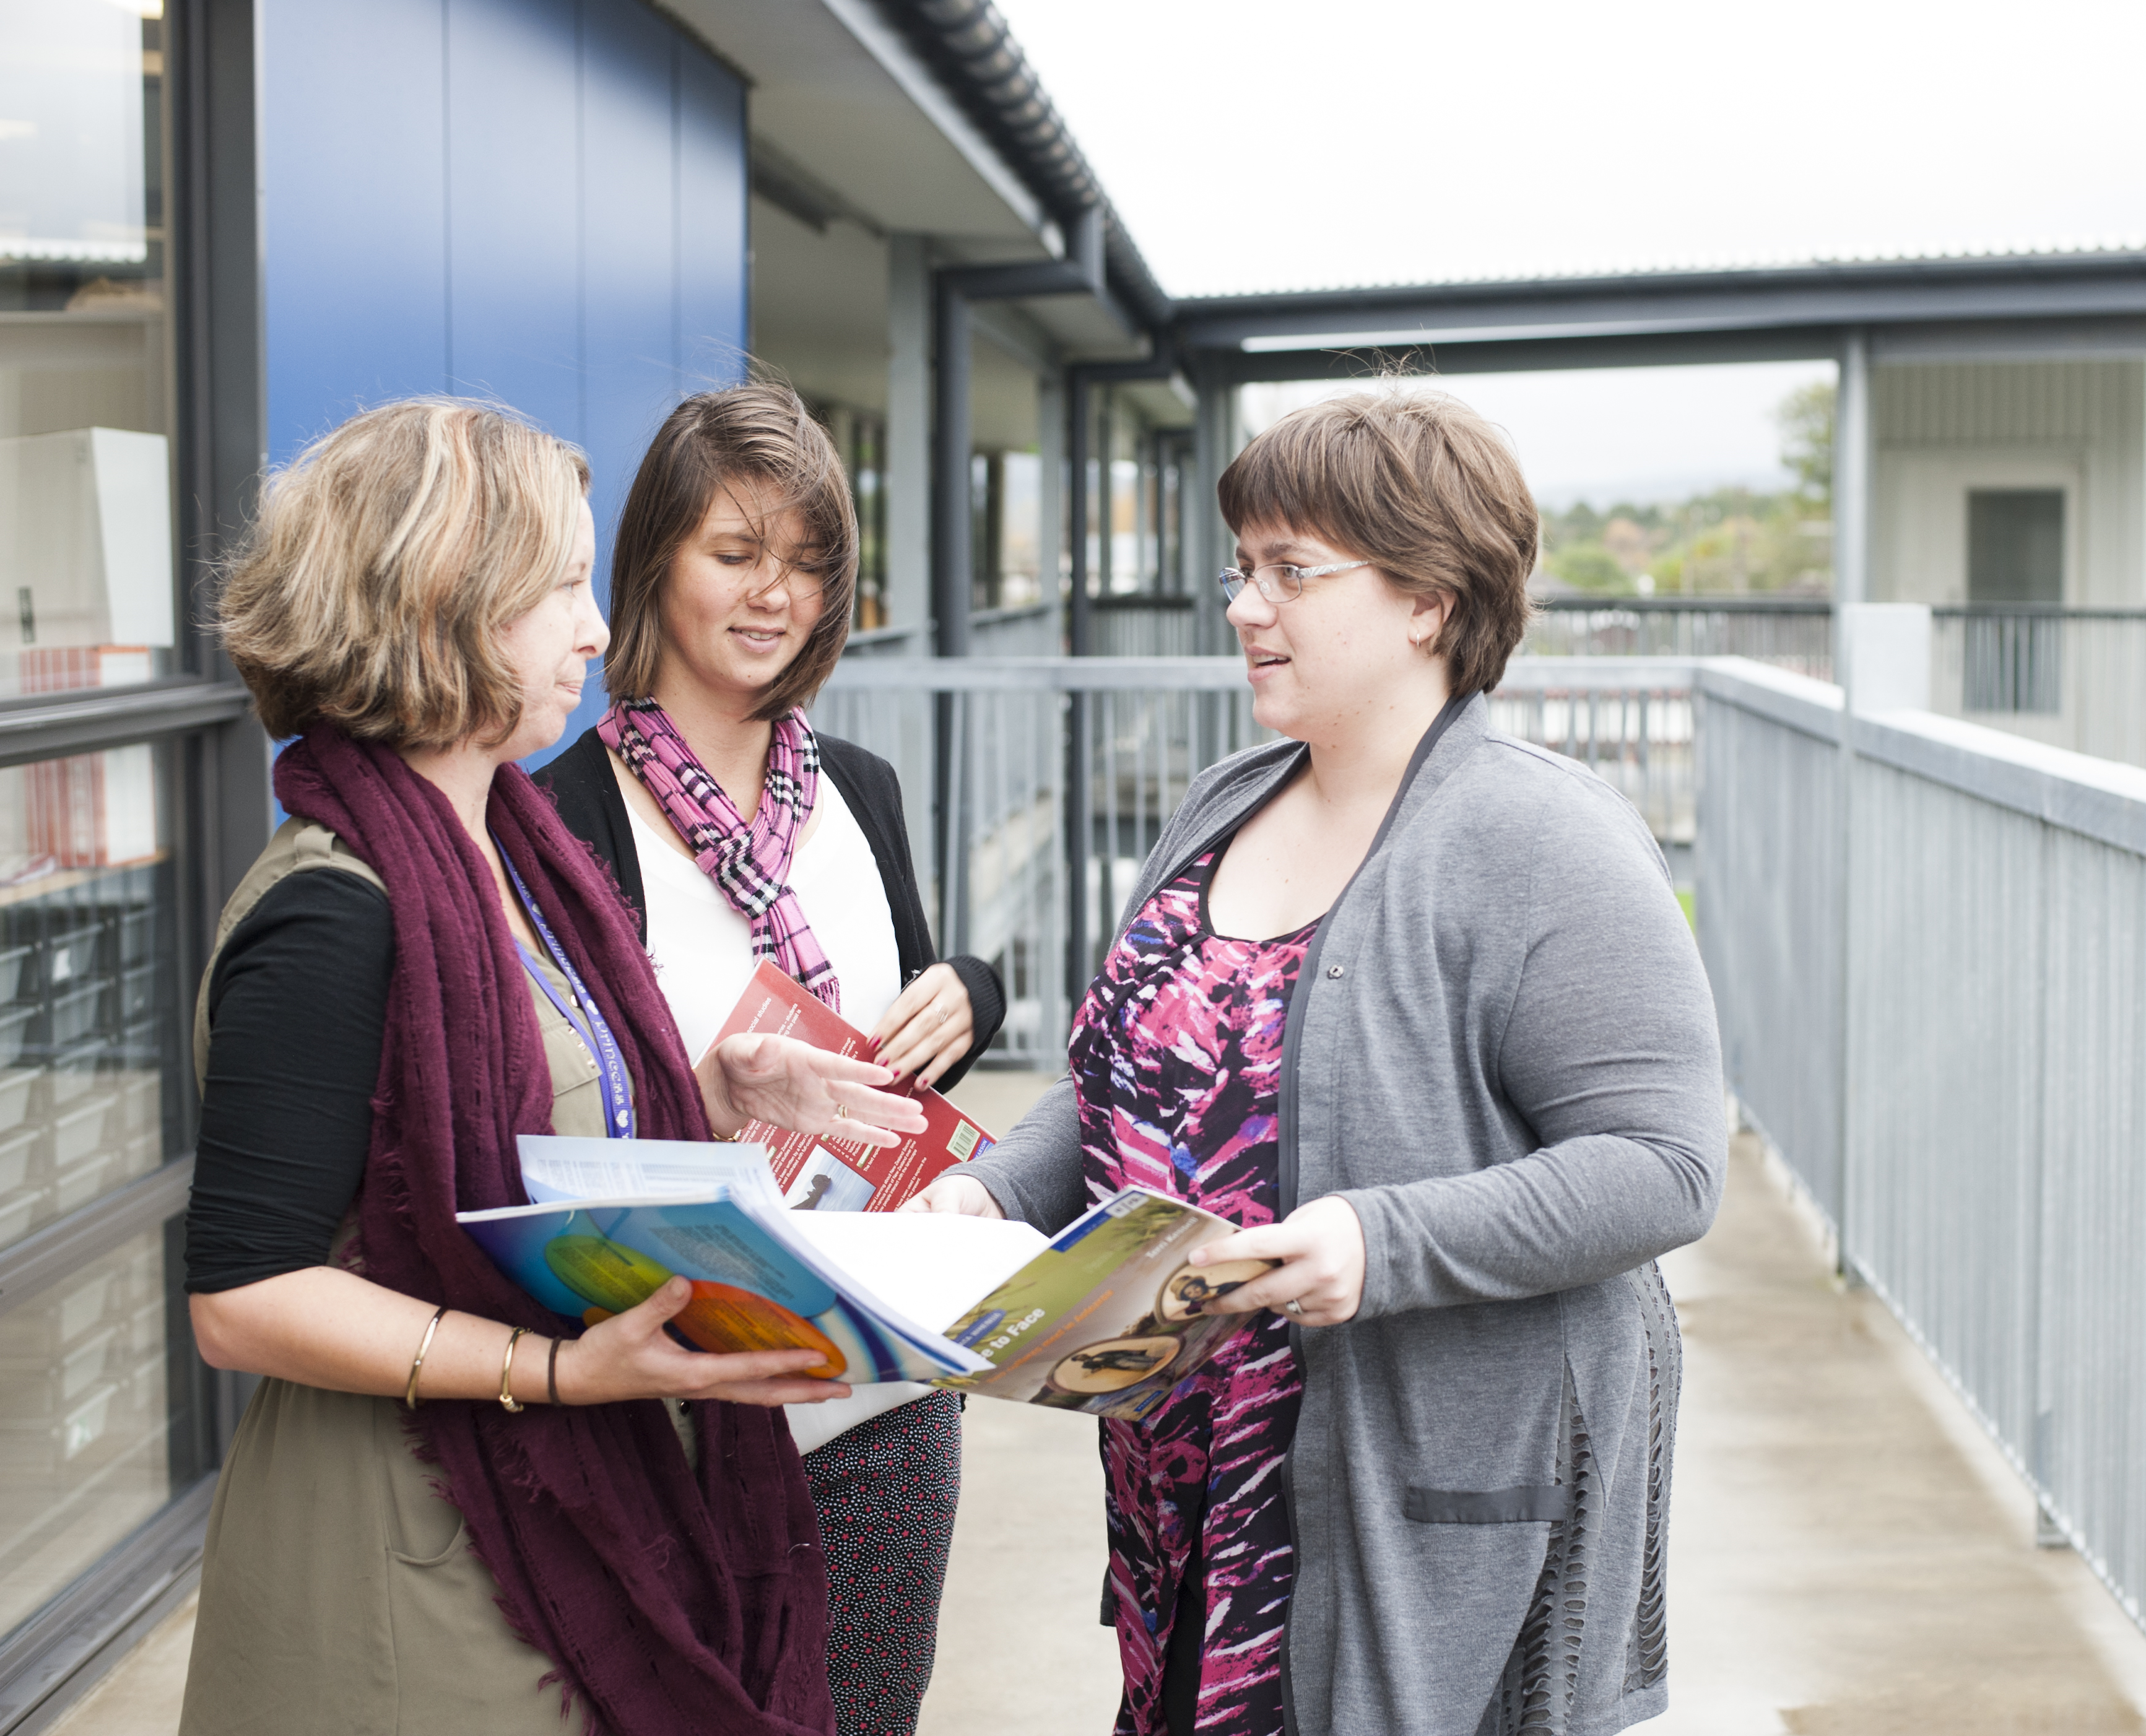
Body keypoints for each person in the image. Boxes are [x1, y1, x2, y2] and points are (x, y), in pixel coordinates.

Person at [909, 390, 1726, 1736]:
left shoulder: (1543, 840)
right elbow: (1141, 1077)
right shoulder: (1229, 797)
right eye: (1244, 568)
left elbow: (1667, 1165)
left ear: (1428, 598)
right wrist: (996, 1191)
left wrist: (1371, 1239)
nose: (1244, 604)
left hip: (1412, 1532)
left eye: (1293, 571)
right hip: (1188, 1508)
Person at [180, 398, 930, 1736]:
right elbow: (245, 1296)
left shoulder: (514, 859)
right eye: (565, 588)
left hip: (549, 1525)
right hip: (409, 1566)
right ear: (445, 603)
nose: (596, 629)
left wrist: (709, 1094)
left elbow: (488, 1132)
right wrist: (566, 1375)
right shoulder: (335, 906)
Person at [541, 379, 1003, 1736]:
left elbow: (900, 1057)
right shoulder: (562, 821)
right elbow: (552, 1119)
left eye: (806, 563)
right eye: (735, 554)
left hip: (880, 1382)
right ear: (652, 565)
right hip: (677, 1394)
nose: (773, 595)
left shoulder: (858, 789)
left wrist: (967, 997)